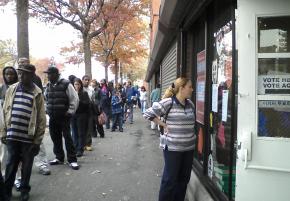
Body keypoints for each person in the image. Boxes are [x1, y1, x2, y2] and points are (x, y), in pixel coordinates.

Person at [143, 77, 196, 201]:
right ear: (181, 88)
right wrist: (163, 124)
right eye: (190, 87)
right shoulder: (168, 103)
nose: (192, 89)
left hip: (188, 149)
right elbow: (147, 114)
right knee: (170, 180)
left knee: (183, 179)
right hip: (172, 148)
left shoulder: (191, 104)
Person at [0, 64, 46, 201]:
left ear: (31, 75)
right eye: (19, 74)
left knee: (26, 165)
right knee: (10, 164)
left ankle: (25, 190)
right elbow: (4, 112)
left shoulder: (37, 93)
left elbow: (42, 119)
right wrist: (3, 133)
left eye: (24, 74)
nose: (20, 76)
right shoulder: (12, 89)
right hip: (12, 135)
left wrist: (37, 141)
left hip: (28, 138)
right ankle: (6, 191)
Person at [44, 67, 80, 170]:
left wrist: (70, 112)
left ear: (56, 74)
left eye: (50, 74)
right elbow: (46, 98)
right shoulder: (48, 85)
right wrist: (47, 109)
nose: (48, 76)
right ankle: (59, 157)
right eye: (48, 74)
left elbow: (74, 99)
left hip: (64, 117)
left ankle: (72, 160)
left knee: (68, 138)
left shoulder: (66, 84)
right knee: (55, 137)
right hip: (53, 116)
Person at [0, 66, 18, 175]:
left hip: (16, 124)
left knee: (15, 154)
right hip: (3, 124)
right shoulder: (1, 88)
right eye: (7, 74)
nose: (9, 76)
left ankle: (17, 177)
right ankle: (2, 175)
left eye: (11, 74)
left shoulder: (19, 87)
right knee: (3, 152)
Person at [71, 78, 90, 157]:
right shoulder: (72, 93)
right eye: (75, 84)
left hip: (81, 115)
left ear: (80, 85)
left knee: (81, 133)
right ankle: (75, 148)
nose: (77, 86)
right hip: (73, 115)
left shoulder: (84, 93)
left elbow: (87, 104)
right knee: (74, 132)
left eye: (78, 84)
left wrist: (79, 101)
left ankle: (80, 149)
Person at [82, 75, 94, 151]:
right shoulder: (80, 88)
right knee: (82, 128)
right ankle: (82, 144)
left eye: (88, 80)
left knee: (89, 127)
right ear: (82, 80)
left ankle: (88, 144)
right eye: (85, 80)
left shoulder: (91, 89)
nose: (87, 81)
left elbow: (93, 99)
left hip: (89, 110)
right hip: (81, 110)